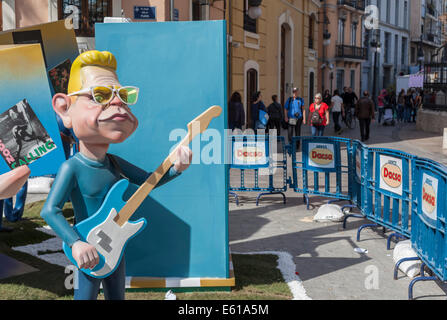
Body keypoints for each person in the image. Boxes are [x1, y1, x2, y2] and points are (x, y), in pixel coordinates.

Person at [40, 50, 193, 300]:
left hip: (116, 249)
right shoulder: (73, 167)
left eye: (123, 95)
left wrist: (176, 168)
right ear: (64, 108)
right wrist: (76, 243)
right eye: (99, 95)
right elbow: (50, 210)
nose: (117, 103)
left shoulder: (114, 163)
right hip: (88, 249)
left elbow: (147, 183)